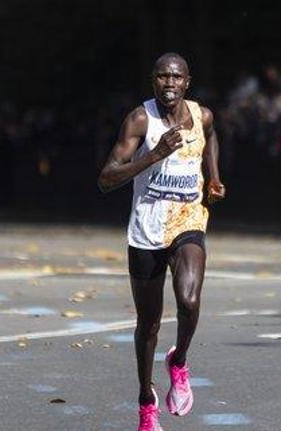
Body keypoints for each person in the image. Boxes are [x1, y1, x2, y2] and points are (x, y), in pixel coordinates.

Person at [98, 53, 225, 431]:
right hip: (146, 229)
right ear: (153, 81)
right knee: (148, 325)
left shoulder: (202, 116)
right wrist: (153, 155)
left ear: (187, 82)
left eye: (176, 77)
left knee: (189, 301)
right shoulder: (141, 120)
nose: (169, 83)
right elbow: (106, 178)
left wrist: (213, 177)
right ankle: (146, 402)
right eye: (162, 77)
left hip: (188, 219)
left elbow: (212, 138)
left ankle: (180, 361)